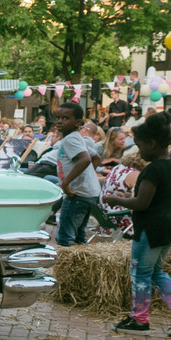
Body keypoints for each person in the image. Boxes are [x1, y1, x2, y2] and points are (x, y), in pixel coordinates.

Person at [103, 112, 171, 337]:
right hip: (167, 225)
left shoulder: (153, 168)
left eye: (139, 146)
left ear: (152, 143)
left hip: (151, 228)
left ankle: (139, 319)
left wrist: (115, 199)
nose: (138, 151)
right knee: (155, 271)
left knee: (139, 273)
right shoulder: (169, 165)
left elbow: (141, 203)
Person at [53, 102, 102, 246]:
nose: (60, 122)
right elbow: (95, 157)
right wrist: (87, 176)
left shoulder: (71, 139)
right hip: (87, 193)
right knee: (79, 235)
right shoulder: (76, 137)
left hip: (77, 195)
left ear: (77, 122)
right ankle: (82, 265)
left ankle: (67, 268)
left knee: (65, 237)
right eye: (58, 118)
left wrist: (66, 183)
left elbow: (85, 159)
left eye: (65, 118)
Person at [97, 145, 146, 238]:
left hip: (107, 216)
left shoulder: (118, 168)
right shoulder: (135, 174)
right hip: (121, 219)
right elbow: (140, 200)